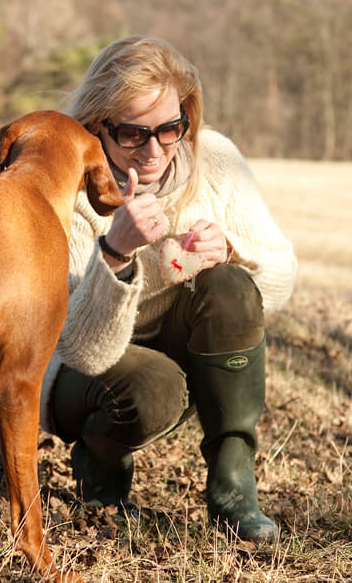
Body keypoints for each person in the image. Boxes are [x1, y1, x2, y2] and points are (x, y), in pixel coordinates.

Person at [41, 35, 297, 542]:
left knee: (229, 286)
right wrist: (113, 252)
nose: (155, 151)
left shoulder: (216, 159)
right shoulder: (68, 189)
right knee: (155, 390)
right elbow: (76, 347)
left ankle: (233, 484)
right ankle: (101, 464)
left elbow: (281, 276)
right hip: (84, 369)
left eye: (170, 129)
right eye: (134, 134)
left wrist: (230, 252)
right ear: (97, 127)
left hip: (176, 339)